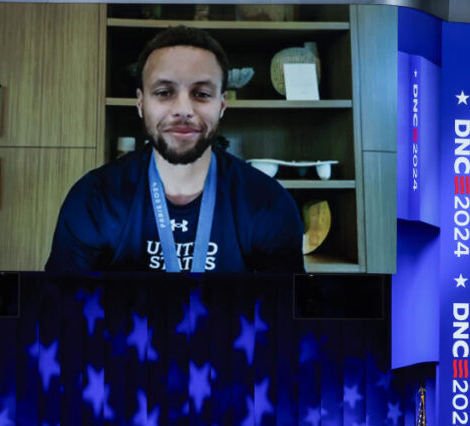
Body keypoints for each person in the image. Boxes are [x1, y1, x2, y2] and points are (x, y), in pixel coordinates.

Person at [46, 25, 304, 274]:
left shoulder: (268, 203)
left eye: (201, 94)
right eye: (164, 92)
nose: (184, 110)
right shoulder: (94, 199)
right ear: (140, 103)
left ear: (222, 105)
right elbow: (63, 310)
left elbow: (285, 314)